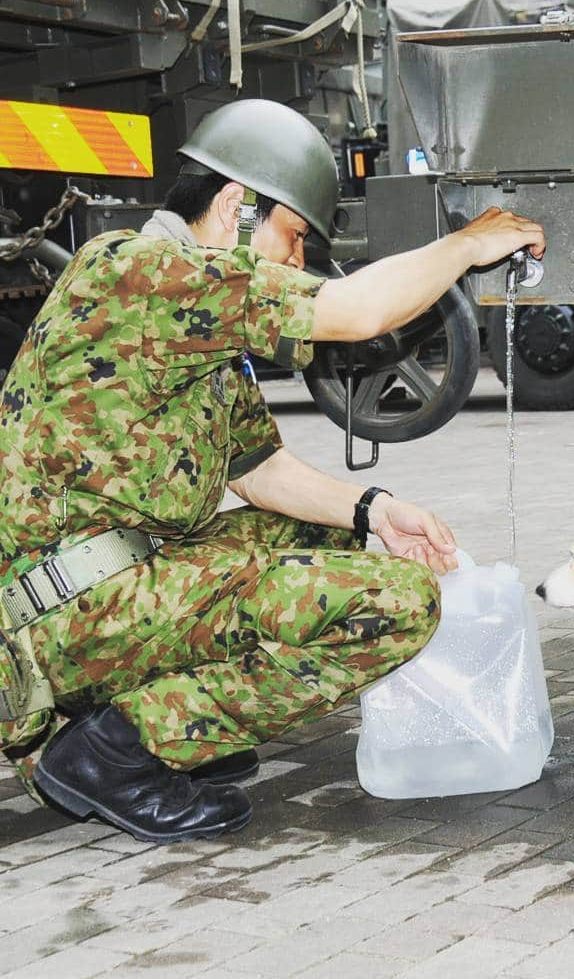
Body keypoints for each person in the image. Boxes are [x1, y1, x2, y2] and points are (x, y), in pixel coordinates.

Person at [0, 99, 545, 843]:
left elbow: (260, 472)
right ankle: (116, 749)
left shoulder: (199, 325)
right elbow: (355, 311)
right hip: (60, 621)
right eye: (292, 238)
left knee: (328, 539)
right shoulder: (146, 271)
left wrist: (375, 508)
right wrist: (465, 245)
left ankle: (153, 723)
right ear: (235, 206)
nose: (295, 263)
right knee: (401, 603)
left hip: (108, 594)